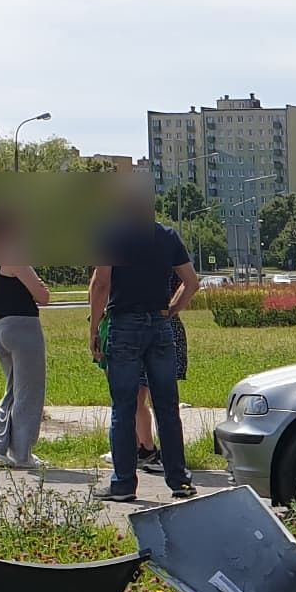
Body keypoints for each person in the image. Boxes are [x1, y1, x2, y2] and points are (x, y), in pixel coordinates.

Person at [90, 180, 202, 503]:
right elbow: (191, 282)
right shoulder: (167, 237)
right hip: (159, 326)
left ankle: (124, 483)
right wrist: (172, 309)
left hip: (124, 325)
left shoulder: (111, 235)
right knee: (167, 405)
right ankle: (179, 480)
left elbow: (101, 283)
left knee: (123, 406)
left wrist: (94, 328)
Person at [0, 207, 52, 470]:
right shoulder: (15, 256)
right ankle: (21, 453)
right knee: (30, 391)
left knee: (15, 388)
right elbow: (43, 296)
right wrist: (40, 286)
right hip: (23, 327)